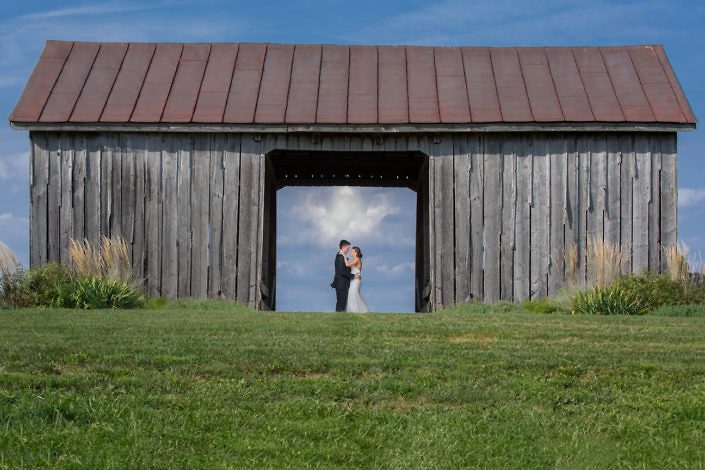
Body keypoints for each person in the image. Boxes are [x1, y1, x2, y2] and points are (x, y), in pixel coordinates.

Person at [331, 240, 359, 312]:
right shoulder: (340, 257)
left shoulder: (341, 256)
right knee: (341, 303)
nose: (348, 250)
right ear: (344, 247)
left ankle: (340, 317)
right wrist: (353, 276)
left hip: (342, 283)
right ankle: (339, 318)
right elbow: (342, 271)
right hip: (341, 283)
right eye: (348, 248)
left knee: (342, 302)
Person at [343, 246, 371, 313]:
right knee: (352, 295)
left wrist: (343, 255)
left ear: (355, 252)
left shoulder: (357, 259)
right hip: (353, 280)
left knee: (353, 294)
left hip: (356, 281)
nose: (350, 252)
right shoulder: (355, 260)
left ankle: (356, 311)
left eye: (352, 251)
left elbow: (347, 264)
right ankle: (353, 311)